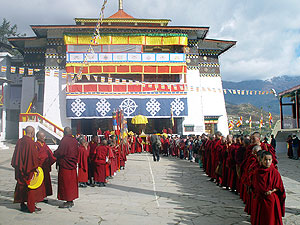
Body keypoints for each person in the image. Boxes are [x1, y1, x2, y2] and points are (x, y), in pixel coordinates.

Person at [11, 126, 43, 213]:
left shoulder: (19, 141)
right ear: (32, 133)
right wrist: (35, 167)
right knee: (30, 187)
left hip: (20, 168)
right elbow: (33, 157)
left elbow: (16, 156)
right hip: (29, 169)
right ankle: (31, 206)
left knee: (21, 185)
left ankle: (22, 204)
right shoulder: (31, 143)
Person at [252, 151, 286, 225]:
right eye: (265, 160)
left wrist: (272, 191)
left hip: (271, 199)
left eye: (269, 160)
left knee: (271, 219)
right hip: (261, 199)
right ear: (261, 160)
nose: (267, 162)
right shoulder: (257, 172)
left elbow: (279, 186)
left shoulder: (275, 172)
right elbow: (255, 185)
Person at [54, 127, 79, 208]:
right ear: (71, 132)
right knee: (71, 183)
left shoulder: (64, 140)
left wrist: (54, 154)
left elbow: (61, 152)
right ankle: (71, 200)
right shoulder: (74, 140)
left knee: (66, 183)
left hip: (65, 166)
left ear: (64, 132)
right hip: (72, 165)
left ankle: (68, 200)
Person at [36, 131, 56, 201]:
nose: (44, 138)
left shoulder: (44, 145)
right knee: (39, 182)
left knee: (45, 182)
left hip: (45, 166)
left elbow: (50, 154)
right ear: (38, 137)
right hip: (38, 167)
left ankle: (44, 195)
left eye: (44, 136)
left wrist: (53, 160)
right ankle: (38, 196)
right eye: (43, 136)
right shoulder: (35, 145)